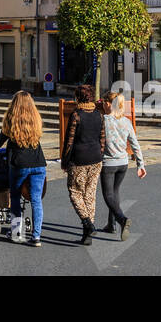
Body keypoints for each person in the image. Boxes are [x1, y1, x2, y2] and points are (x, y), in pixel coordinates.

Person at [0, 91, 46, 246]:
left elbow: (1, 139)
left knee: (15, 197)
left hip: (19, 164)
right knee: (36, 200)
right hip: (38, 163)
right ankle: (36, 236)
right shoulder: (36, 118)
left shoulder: (11, 119)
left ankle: (17, 232)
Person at [60, 84, 105, 245]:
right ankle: (88, 234)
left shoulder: (76, 115)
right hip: (96, 159)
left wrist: (65, 161)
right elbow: (102, 138)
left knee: (74, 192)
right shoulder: (99, 114)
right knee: (90, 194)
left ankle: (87, 222)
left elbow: (69, 141)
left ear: (78, 97)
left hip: (79, 159)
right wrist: (100, 154)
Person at [99, 91, 146, 240]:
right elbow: (134, 144)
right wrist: (141, 164)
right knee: (115, 192)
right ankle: (111, 224)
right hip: (123, 163)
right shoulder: (126, 121)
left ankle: (122, 219)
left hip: (108, 163)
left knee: (108, 195)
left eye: (104, 103)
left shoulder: (104, 120)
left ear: (108, 104)